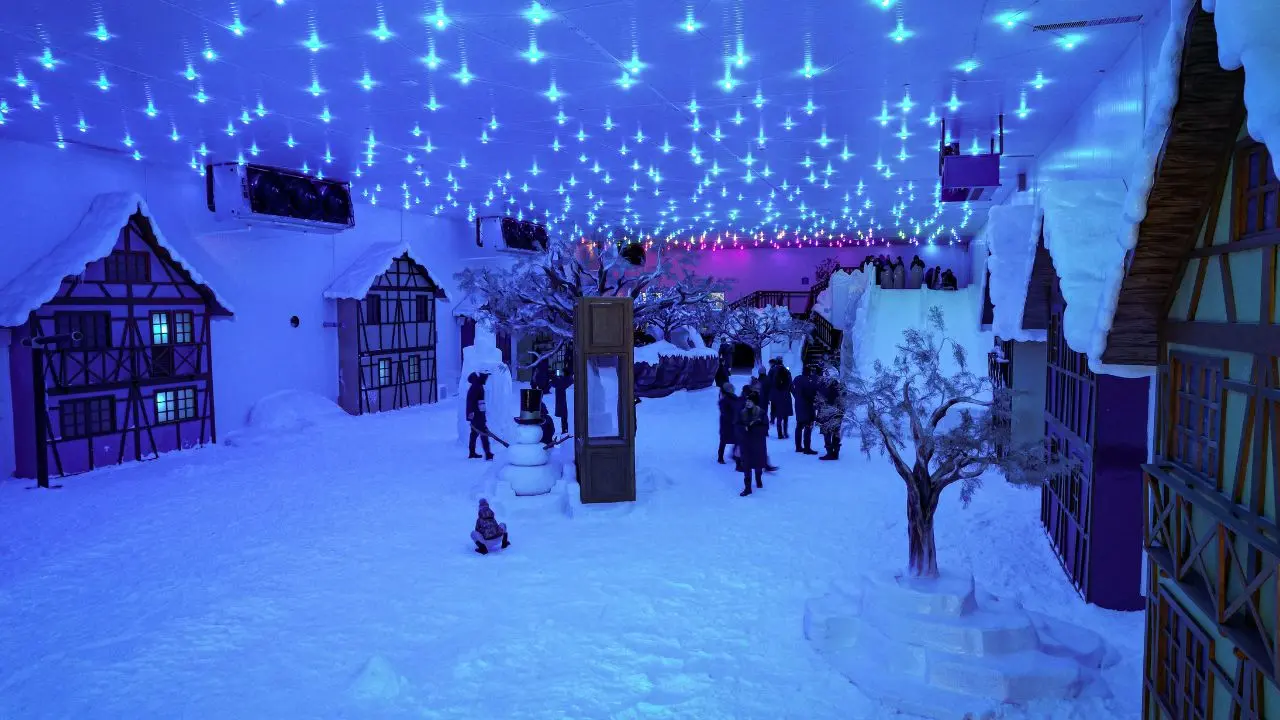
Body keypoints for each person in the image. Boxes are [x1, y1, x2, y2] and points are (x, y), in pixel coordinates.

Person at [736, 393, 769, 496]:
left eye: (750, 401)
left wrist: (752, 428)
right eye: (747, 401)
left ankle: (758, 479)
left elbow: (765, 428)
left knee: (758, 463)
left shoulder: (761, 413)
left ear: (755, 402)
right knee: (747, 464)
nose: (747, 402)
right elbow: (737, 425)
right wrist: (743, 429)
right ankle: (748, 487)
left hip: (758, 442)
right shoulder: (742, 413)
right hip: (745, 443)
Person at [815, 370, 846, 461]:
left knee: (827, 432)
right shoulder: (841, 385)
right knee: (836, 432)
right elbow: (844, 398)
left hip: (826, 413)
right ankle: (836, 453)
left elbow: (819, 400)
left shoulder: (823, 385)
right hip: (838, 413)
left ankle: (829, 453)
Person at [466, 371, 495, 460]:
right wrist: (476, 414)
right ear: (482, 377)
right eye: (486, 377)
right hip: (476, 414)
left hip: (475, 414)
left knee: (474, 433)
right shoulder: (477, 386)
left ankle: (472, 453)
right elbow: (473, 402)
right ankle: (488, 454)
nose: (487, 379)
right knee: (484, 433)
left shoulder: (477, 385)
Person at [791, 365, 819, 455]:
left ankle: (798, 446)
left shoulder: (797, 379)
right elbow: (812, 394)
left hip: (798, 405)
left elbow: (791, 388)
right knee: (808, 426)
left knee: (799, 426)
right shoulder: (809, 381)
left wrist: (796, 397)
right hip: (808, 406)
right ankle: (807, 448)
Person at [717, 382, 739, 464]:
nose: (734, 389)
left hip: (733, 422)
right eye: (732, 388)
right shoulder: (724, 400)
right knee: (724, 440)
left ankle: (734, 454)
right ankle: (720, 457)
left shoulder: (734, 398)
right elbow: (724, 412)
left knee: (737, 439)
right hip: (727, 423)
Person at [770, 359, 793, 439]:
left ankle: (779, 433)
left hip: (777, 394)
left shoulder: (773, 370)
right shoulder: (787, 372)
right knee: (785, 416)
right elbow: (790, 383)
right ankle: (785, 432)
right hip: (786, 395)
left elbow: (770, 382)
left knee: (779, 415)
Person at [551, 366, 571, 434]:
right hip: (568, 401)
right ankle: (566, 429)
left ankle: (565, 430)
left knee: (564, 416)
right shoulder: (570, 379)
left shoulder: (562, 380)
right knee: (567, 416)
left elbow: (554, 384)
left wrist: (553, 377)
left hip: (562, 400)